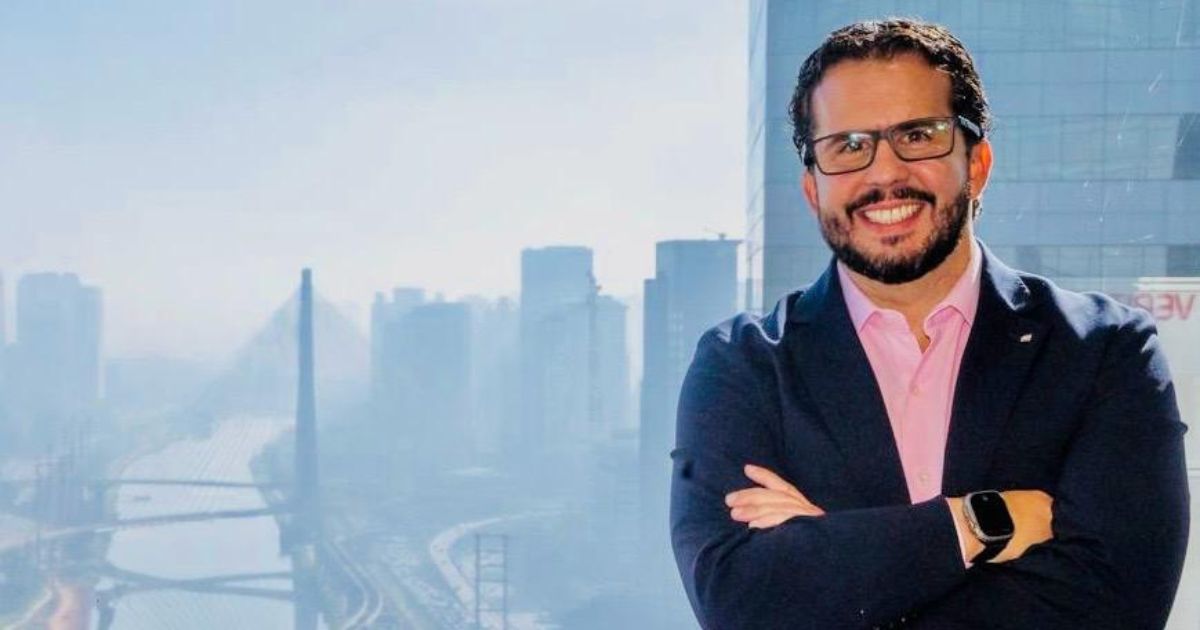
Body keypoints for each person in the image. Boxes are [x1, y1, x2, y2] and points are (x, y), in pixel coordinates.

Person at [669, 18, 1190, 630]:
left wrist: (835, 560)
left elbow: (1117, 604)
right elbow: (739, 601)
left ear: (977, 164)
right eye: (848, 146)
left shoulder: (1103, 351)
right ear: (813, 189)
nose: (884, 174)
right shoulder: (744, 364)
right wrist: (980, 522)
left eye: (918, 135)